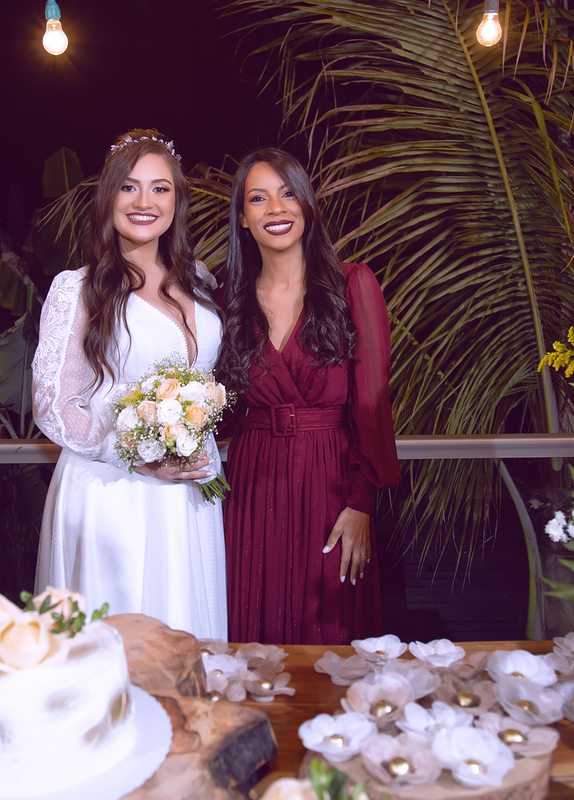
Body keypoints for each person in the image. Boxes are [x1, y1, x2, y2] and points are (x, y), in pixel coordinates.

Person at [31, 129, 227, 639]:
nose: (144, 202)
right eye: (129, 187)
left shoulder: (199, 280)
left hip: (189, 493)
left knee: (187, 633)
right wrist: (134, 453)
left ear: (176, 201)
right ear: (109, 197)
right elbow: (53, 405)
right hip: (114, 490)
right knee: (115, 643)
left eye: (160, 188)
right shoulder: (77, 289)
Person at [217, 148, 402, 645]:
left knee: (330, 630)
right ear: (243, 218)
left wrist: (362, 502)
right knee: (252, 624)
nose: (276, 208)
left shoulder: (352, 284)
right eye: (258, 198)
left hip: (332, 483)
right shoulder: (226, 300)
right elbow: (219, 408)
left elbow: (372, 407)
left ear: (306, 205)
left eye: (287, 194)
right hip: (253, 484)